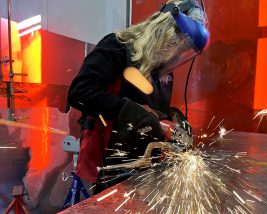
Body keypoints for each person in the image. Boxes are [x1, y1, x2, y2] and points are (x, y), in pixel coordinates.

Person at [67, 0, 209, 192]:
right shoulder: (117, 46)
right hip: (107, 164)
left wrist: (174, 120)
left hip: (143, 167)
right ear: (165, 31)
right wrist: (129, 112)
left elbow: (155, 111)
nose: (177, 55)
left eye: (184, 51)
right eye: (179, 46)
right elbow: (79, 93)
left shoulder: (162, 70)